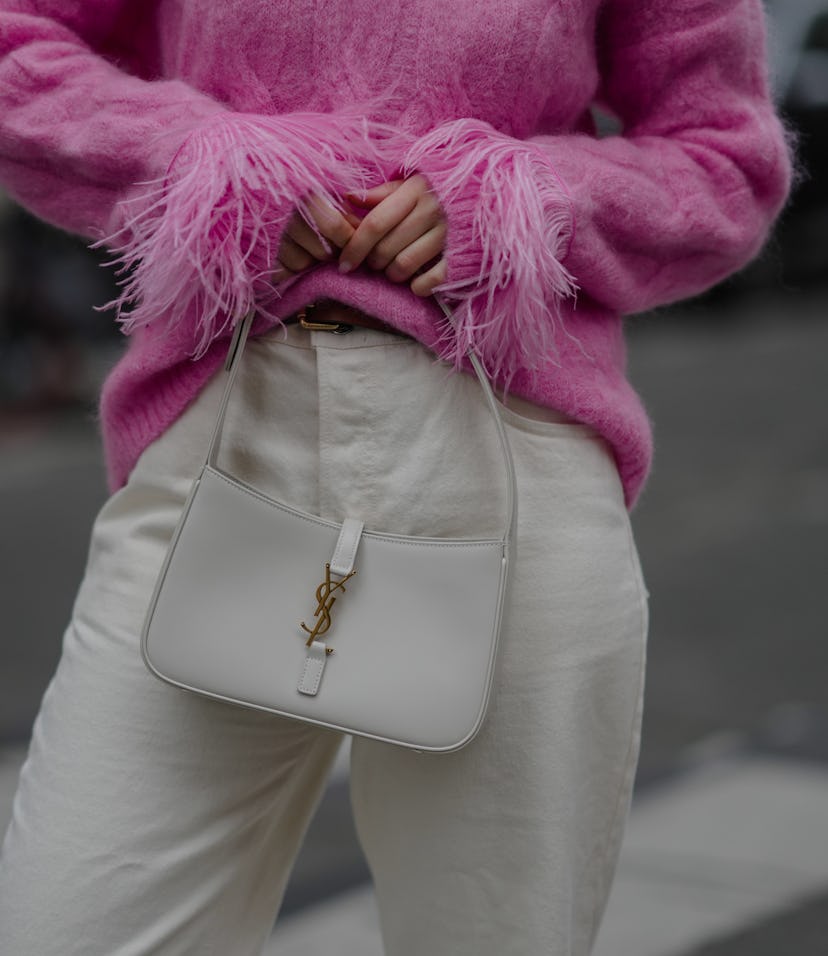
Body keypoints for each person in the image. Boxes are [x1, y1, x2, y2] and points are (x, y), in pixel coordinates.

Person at [0, 1, 791, 953]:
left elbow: (723, 161)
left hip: (510, 457)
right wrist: (207, 166)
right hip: (225, 426)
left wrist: (517, 200)